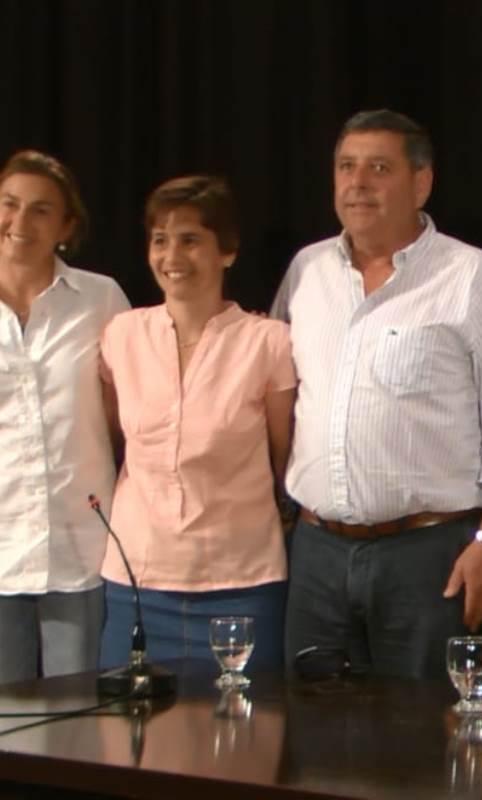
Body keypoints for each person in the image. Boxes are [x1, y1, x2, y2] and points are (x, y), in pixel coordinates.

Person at [272, 109, 482, 679]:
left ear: (421, 183)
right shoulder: (307, 271)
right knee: (314, 729)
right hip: (316, 555)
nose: (357, 183)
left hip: (430, 556)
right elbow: (278, 400)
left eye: (379, 168)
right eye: (346, 167)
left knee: (424, 729)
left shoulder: (472, 277)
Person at [98, 175, 295, 671]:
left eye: (190, 240)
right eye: (159, 240)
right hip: (136, 582)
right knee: (128, 723)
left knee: (241, 721)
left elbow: (284, 460)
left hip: (242, 584)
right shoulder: (121, 334)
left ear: (227, 251)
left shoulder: (268, 341)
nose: (172, 256)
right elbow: (114, 441)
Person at [0, 150, 129, 682]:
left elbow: (128, 413)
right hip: (2, 546)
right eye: (9, 204)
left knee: (77, 715)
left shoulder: (100, 298)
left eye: (41, 210)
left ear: (66, 227)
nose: (20, 221)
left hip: (78, 547)